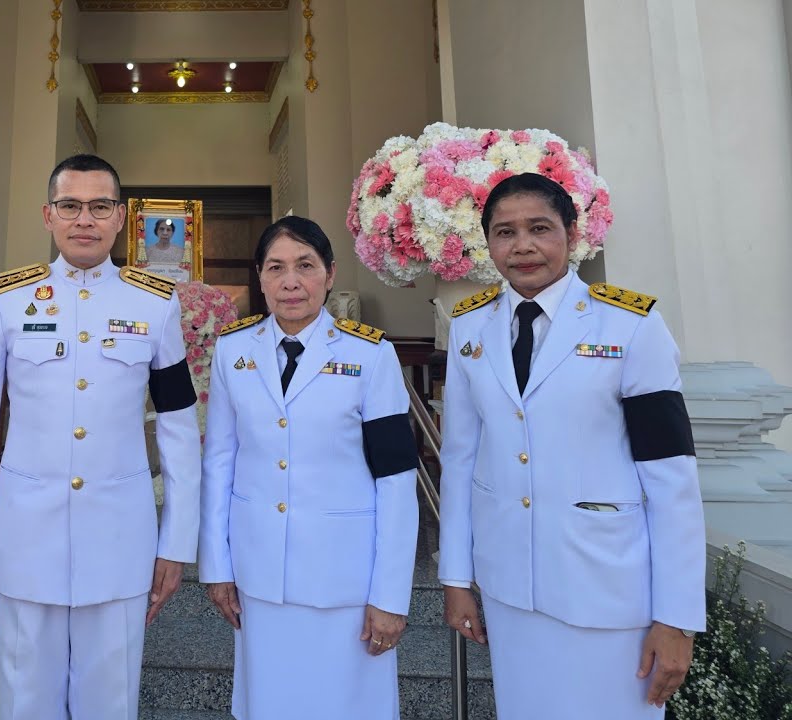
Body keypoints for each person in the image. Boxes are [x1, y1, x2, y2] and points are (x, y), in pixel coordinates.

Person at [439, 173, 705, 719]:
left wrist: (676, 615)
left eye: (540, 228)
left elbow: (670, 474)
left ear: (572, 232)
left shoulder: (631, 324)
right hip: (511, 585)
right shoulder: (469, 329)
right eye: (504, 232)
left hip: (607, 584)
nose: (523, 246)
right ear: (487, 243)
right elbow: (460, 460)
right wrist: (456, 579)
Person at [0, 153, 201, 720]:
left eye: (99, 206)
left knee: (111, 702)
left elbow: (180, 427)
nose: (84, 220)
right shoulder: (6, 298)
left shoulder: (155, 303)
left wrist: (177, 541)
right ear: (48, 215)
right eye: (70, 206)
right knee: (24, 701)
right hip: (23, 538)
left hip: (121, 539)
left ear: (120, 218)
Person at [199, 216, 419, 720]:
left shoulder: (370, 355)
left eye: (305, 266)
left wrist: (390, 594)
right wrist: (217, 565)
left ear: (330, 273)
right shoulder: (234, 350)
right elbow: (220, 462)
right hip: (260, 573)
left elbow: (396, 478)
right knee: (269, 703)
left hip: (343, 577)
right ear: (260, 277)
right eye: (276, 267)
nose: (290, 281)